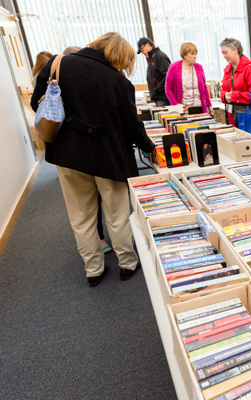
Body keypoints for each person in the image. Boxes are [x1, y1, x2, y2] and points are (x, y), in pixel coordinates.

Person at [31, 32, 155, 287]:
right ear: (118, 56)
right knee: (117, 214)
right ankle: (127, 264)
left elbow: (37, 104)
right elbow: (131, 125)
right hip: (109, 157)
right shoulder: (118, 81)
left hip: (68, 156)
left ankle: (94, 270)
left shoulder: (58, 64)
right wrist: (148, 146)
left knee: (81, 216)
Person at [63, 45, 112, 253]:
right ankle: (102, 243)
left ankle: (94, 259)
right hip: (85, 153)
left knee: (86, 208)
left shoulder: (77, 81)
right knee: (94, 204)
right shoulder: (70, 84)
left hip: (77, 154)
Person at [164, 42, 213, 115]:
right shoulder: (174, 67)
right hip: (183, 108)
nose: (194, 56)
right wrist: (175, 104)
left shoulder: (199, 67)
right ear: (184, 55)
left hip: (199, 107)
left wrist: (209, 105)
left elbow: (204, 88)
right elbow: (168, 88)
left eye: (195, 54)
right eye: (192, 54)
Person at [137, 37, 171, 106]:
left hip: (163, 97)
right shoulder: (152, 57)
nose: (142, 53)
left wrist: (157, 88)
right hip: (157, 97)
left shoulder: (160, 56)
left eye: (142, 50)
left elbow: (168, 76)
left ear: (147, 45)